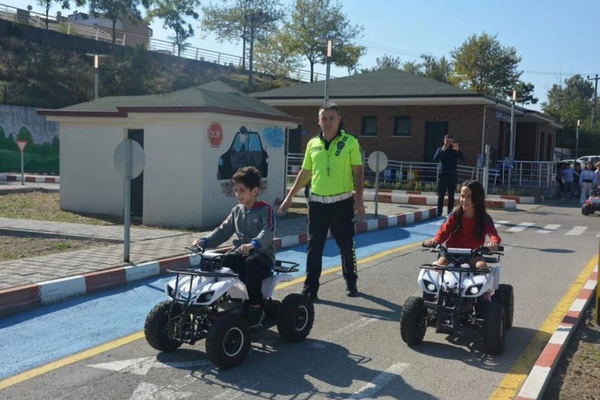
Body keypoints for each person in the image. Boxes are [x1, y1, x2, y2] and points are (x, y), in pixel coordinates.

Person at [278, 102, 365, 299]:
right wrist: (289, 198)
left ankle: (351, 282)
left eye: (331, 118)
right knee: (314, 246)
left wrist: (358, 200)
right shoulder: (312, 144)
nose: (327, 122)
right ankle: (310, 288)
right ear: (318, 120)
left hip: (342, 204)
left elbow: (358, 173)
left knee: (346, 244)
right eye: (323, 118)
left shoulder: (350, 142)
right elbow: (305, 173)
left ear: (339, 119)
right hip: (316, 204)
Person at [192, 166, 275, 328]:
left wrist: (253, 244)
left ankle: (256, 307)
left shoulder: (265, 210)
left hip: (262, 257)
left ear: (255, 190)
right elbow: (222, 231)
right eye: (236, 190)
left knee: (253, 262)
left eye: (242, 190)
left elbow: (268, 232)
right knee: (215, 260)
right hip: (241, 255)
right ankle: (208, 300)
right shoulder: (237, 210)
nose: (238, 194)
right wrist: (204, 242)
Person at [423, 180, 501, 302]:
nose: (465, 200)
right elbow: (443, 232)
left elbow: (493, 234)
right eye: (462, 196)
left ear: (479, 198)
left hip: (473, 254)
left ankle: (486, 295)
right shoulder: (455, 215)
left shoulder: (484, 219)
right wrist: (435, 241)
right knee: (436, 267)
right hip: (450, 253)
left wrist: (494, 243)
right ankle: (438, 293)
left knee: (482, 267)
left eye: (469, 197)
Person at [434, 134, 464, 216]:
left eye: (450, 142)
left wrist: (457, 150)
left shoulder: (454, 151)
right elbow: (435, 158)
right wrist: (442, 150)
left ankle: (450, 212)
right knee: (441, 194)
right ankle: (439, 212)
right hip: (442, 174)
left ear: (452, 142)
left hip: (452, 175)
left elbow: (462, 158)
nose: (448, 143)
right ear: (444, 141)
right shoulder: (440, 149)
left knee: (451, 194)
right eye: (446, 141)